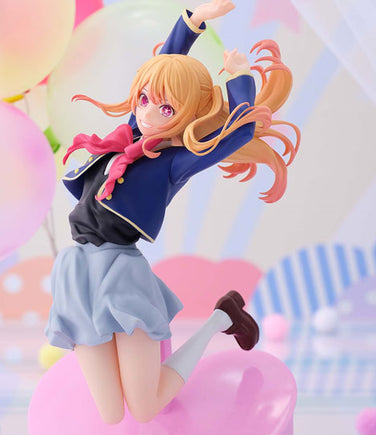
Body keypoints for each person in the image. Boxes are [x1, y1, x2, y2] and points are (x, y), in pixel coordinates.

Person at [44, 0, 299, 424]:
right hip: (76, 271)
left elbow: (239, 133)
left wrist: (239, 78)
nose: (147, 112)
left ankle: (221, 318)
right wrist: (192, 22)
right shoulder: (130, 132)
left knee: (144, 407)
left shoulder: (174, 161)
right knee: (111, 414)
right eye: (144, 99)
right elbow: (164, 66)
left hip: (120, 276)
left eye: (165, 110)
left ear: (184, 117)